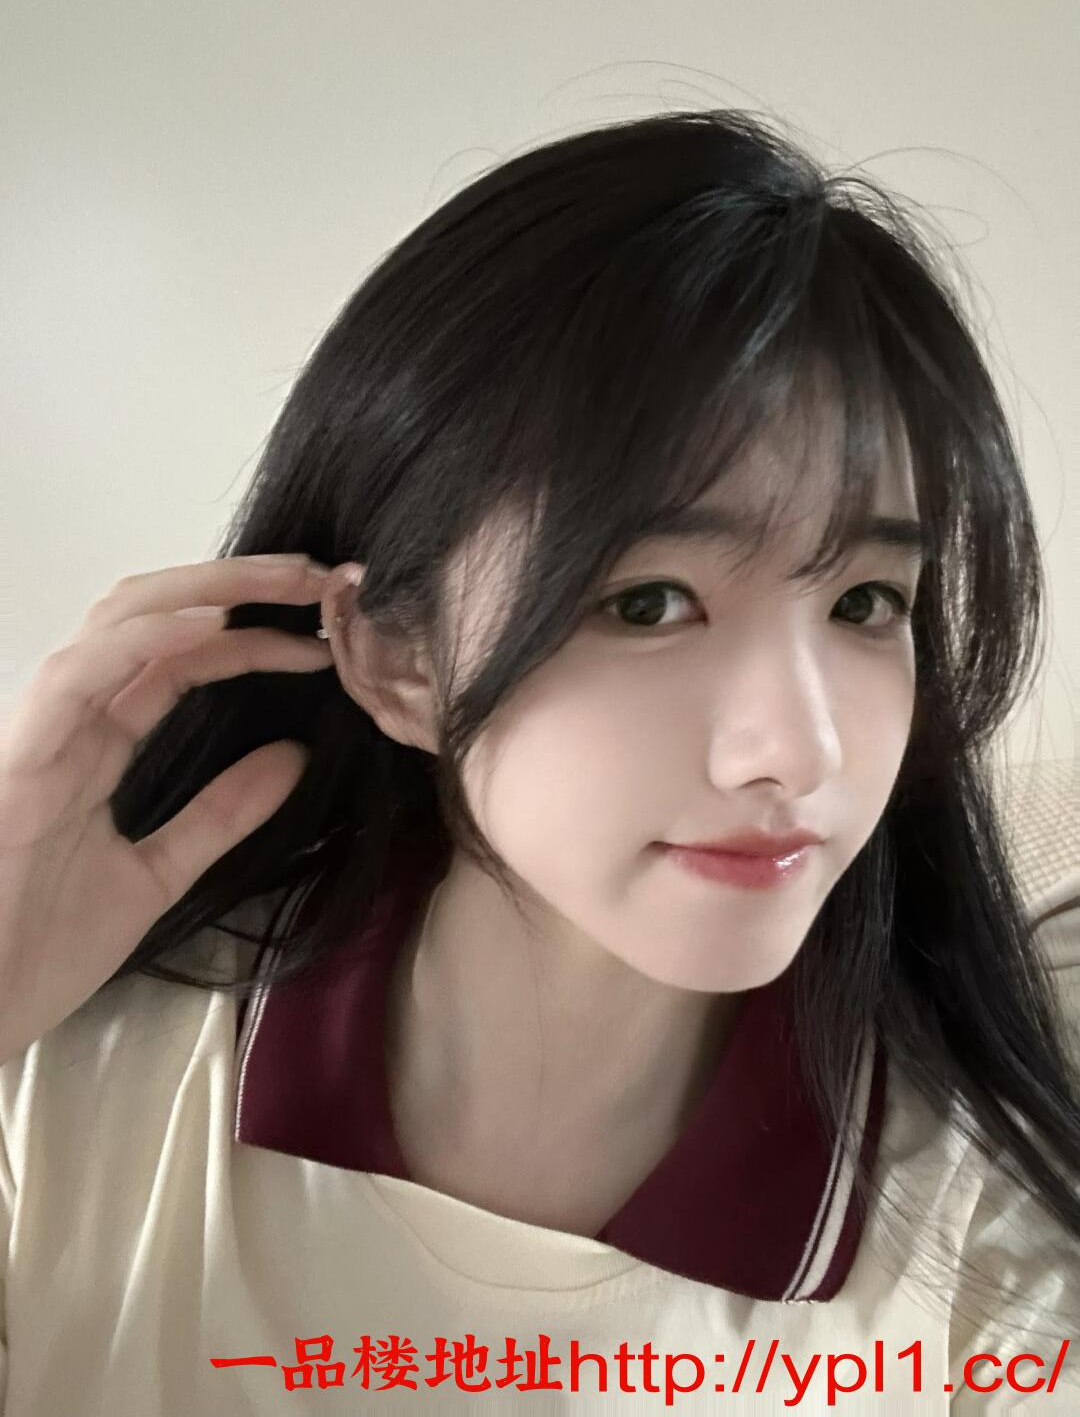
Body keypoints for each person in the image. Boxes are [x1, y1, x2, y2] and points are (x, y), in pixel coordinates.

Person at [0, 108, 1077, 1415]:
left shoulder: (980, 1223)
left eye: (865, 602)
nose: (801, 749)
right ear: (397, 655)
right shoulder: (70, 1078)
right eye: (648, 602)